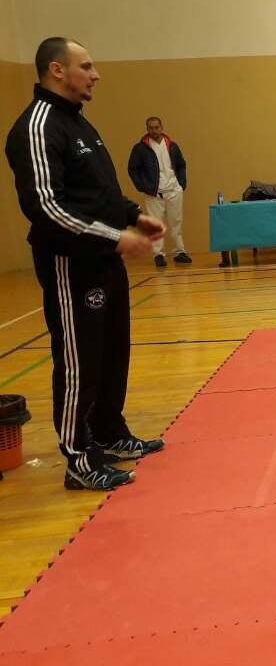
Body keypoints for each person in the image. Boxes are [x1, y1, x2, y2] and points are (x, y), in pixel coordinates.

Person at [5, 37, 166, 491]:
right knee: (80, 358)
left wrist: (133, 217)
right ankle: (79, 458)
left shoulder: (79, 123)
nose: (96, 75)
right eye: (87, 66)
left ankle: (109, 432)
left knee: (113, 350)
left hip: (104, 260)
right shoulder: (37, 127)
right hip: (71, 263)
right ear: (57, 70)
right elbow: (47, 208)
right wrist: (115, 237)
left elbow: (100, 192)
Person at [126, 116, 191, 266]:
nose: (154, 130)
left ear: (162, 128)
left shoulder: (172, 146)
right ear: (147, 129)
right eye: (151, 128)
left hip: (174, 190)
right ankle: (158, 254)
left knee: (176, 222)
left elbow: (181, 164)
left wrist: (181, 184)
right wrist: (144, 187)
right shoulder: (141, 149)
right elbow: (133, 169)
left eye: (156, 127)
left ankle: (179, 252)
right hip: (154, 193)